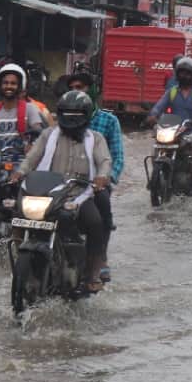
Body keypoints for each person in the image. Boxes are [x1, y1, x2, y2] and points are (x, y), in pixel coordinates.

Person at [14, 90, 112, 293]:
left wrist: (102, 176)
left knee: (95, 222)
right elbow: (32, 158)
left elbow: (104, 161)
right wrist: (20, 172)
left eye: (76, 114)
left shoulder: (96, 139)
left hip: (78, 194)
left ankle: (93, 272)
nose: (71, 118)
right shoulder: (48, 135)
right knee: (18, 215)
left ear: (86, 115)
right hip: (48, 193)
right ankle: (22, 261)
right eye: (67, 113)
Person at [67, 72, 122, 279]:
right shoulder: (63, 120)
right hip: (68, 181)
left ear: (91, 90)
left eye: (80, 87)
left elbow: (117, 157)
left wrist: (107, 178)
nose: (76, 92)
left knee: (103, 205)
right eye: (72, 88)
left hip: (96, 182)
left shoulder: (109, 121)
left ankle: (100, 257)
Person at [145, 57, 192, 169]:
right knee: (155, 151)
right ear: (177, 74)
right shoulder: (172, 91)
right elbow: (159, 106)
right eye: (182, 73)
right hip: (171, 130)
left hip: (191, 130)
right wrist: (152, 116)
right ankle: (155, 175)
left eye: (188, 73)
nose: (184, 76)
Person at [0, 63, 47, 149]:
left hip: (22, 157)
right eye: (5, 83)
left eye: (13, 83)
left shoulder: (30, 109)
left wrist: (31, 144)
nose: (8, 86)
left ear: (20, 86)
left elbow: (38, 132)